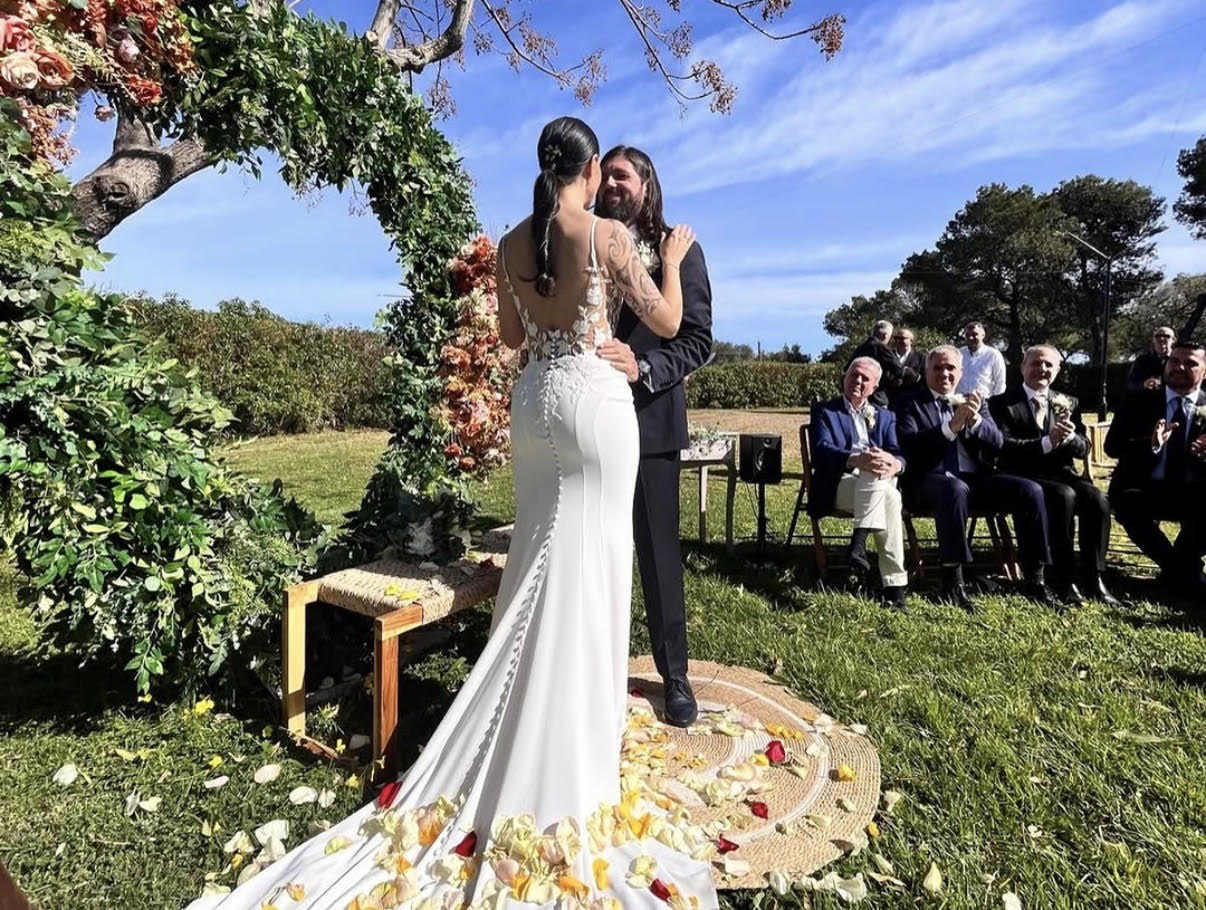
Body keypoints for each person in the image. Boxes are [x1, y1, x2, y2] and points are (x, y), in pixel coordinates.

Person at [189, 117, 719, 909]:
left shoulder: (511, 242)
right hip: (591, 404)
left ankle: (532, 711)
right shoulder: (606, 235)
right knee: (590, 562)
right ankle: (570, 735)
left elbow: (510, 337)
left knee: (542, 555)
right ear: (586, 169)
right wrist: (670, 263)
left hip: (534, 405)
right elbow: (671, 322)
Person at [592, 145, 713, 728]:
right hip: (587, 419)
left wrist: (645, 370)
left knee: (659, 555)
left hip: (649, 422)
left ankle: (676, 675)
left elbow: (695, 340)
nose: (613, 183)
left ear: (645, 184)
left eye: (624, 175)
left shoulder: (678, 251)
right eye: (606, 174)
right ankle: (590, 666)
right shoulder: (582, 241)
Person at [895, 346, 1055, 611]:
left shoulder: (975, 401)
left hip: (975, 479)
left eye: (950, 369)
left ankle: (1035, 578)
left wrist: (976, 422)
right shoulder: (909, 403)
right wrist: (950, 427)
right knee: (953, 488)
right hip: (927, 481)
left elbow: (999, 443)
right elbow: (911, 446)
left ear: (960, 373)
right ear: (926, 371)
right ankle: (953, 582)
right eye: (937, 368)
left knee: (1030, 490)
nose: (944, 374)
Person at [988, 345, 1119, 606]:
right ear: (1023, 367)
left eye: (1049, 365)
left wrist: (1070, 437)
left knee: (1097, 499)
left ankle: (1094, 577)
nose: (1042, 369)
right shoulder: (1002, 403)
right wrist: (1048, 442)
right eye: (1036, 363)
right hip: (1023, 475)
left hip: (1061, 473)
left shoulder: (1068, 402)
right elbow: (1004, 447)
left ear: (1058, 370)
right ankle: (1063, 576)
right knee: (1064, 497)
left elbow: (1084, 448)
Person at [808, 357, 909, 611]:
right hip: (838, 485)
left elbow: (897, 452)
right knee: (876, 474)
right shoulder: (825, 410)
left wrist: (895, 463)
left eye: (865, 378)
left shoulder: (885, 416)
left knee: (889, 495)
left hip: (874, 489)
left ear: (874, 387)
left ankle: (860, 544)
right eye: (854, 375)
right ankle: (895, 587)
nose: (858, 381)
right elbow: (821, 451)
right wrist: (856, 459)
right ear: (845, 377)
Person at [1107, 340, 1206, 596]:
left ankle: (1181, 570)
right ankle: (1184, 571)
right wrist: (1149, 444)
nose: (1180, 367)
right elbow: (1112, 447)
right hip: (1144, 487)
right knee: (1127, 503)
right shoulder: (1138, 401)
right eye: (1174, 361)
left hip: (1196, 491)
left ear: (1205, 372)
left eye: (1191, 363)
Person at [848, 319, 904, 407]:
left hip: (857, 397)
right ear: (885, 335)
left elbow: (847, 368)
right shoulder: (881, 348)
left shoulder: (860, 349)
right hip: (878, 397)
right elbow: (898, 368)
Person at [956, 321, 1007, 398]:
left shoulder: (993, 355)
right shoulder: (958, 354)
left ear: (983, 335)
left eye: (974, 334)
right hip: (960, 403)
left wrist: (996, 403)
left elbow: (1000, 383)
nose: (970, 337)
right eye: (967, 335)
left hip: (984, 404)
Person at [1125, 325, 1175, 393]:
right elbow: (1130, 384)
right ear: (1153, 340)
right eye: (1158, 336)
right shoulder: (1142, 361)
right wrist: (1144, 384)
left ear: (1173, 340)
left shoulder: (1178, 360)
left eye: (1166, 336)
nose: (1162, 339)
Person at [889, 327, 926, 404]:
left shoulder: (921, 357)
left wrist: (915, 377)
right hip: (890, 399)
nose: (899, 340)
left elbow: (926, 380)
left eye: (903, 338)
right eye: (897, 338)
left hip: (912, 401)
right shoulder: (888, 355)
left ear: (911, 341)